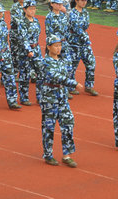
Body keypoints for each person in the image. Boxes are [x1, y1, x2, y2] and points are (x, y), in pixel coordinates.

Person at [38, 34, 83, 167]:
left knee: (68, 122)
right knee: (49, 127)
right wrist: (73, 83)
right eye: (56, 46)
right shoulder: (45, 62)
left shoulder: (62, 60)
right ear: (48, 47)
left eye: (60, 45)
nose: (58, 48)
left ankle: (67, 154)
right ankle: (48, 154)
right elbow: (56, 77)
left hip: (62, 96)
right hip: (49, 97)